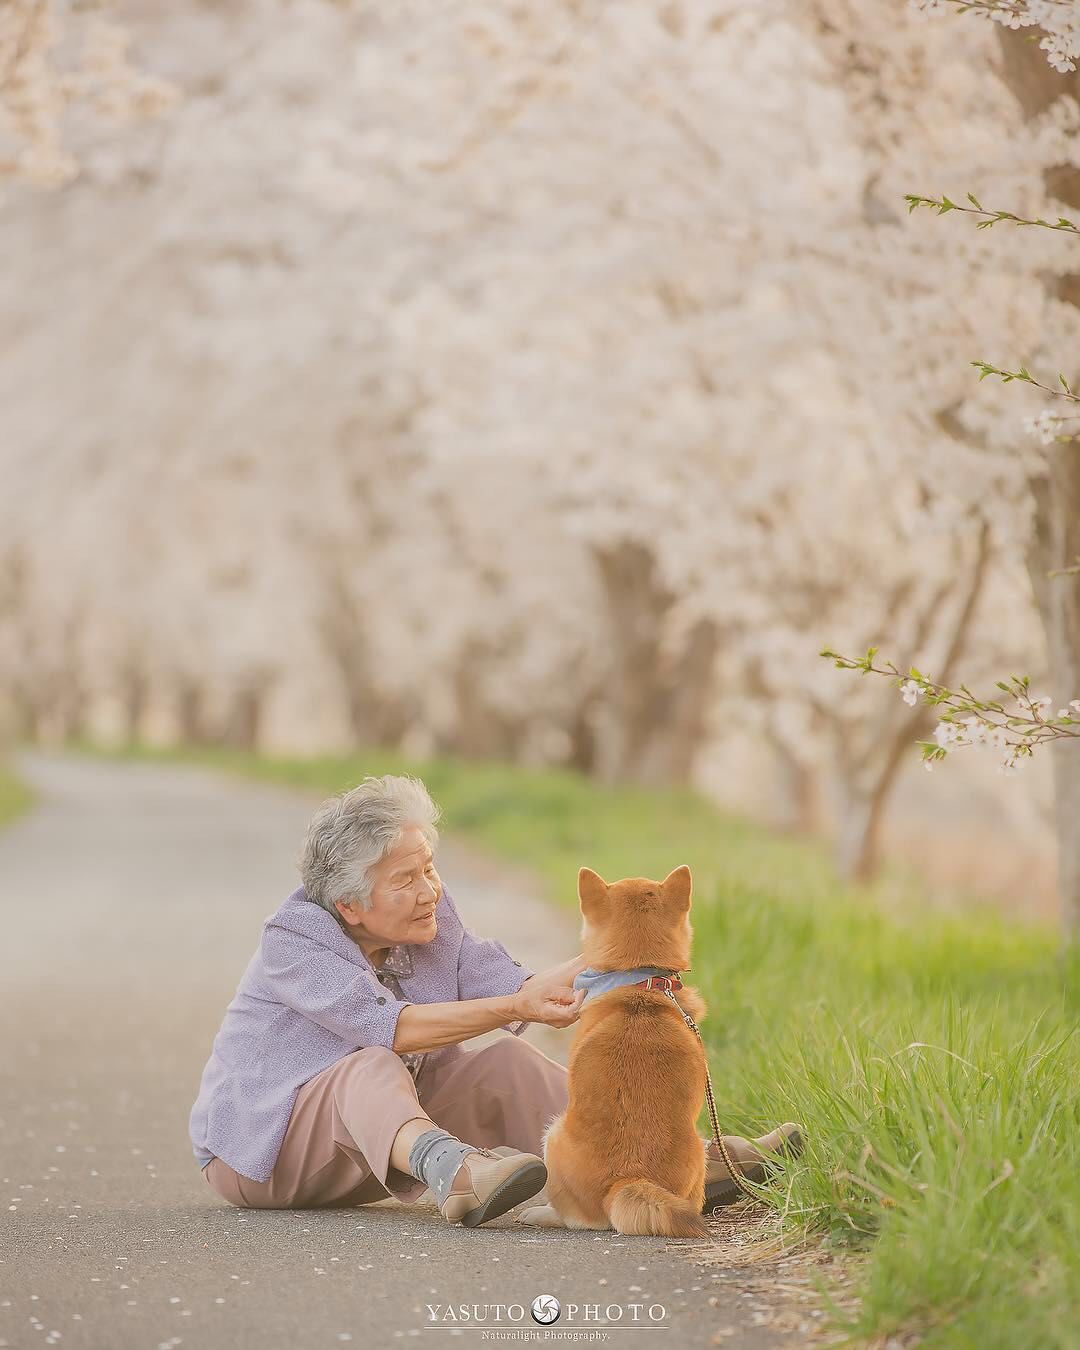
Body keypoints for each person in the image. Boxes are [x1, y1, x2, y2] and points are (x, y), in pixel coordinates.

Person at [190, 773, 800, 1227]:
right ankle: (458, 1173)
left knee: (500, 1065)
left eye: (428, 868)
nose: (429, 889)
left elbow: (511, 984)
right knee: (370, 1061)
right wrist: (519, 1007)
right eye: (405, 881)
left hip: (372, 1138)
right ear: (349, 905)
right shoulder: (295, 941)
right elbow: (391, 1030)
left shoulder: (431, 918)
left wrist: (627, 958)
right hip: (264, 1156)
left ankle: (666, 1161)